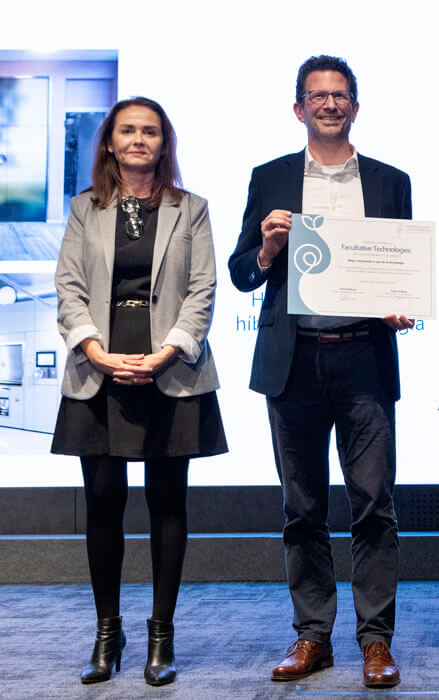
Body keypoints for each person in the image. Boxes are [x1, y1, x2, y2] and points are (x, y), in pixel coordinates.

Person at [228, 55, 411, 689]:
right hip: (294, 361)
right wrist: (267, 248)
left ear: (355, 106)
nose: (329, 104)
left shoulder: (390, 181)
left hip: (364, 357)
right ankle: (312, 636)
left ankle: (376, 641)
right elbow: (241, 273)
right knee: (302, 508)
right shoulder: (270, 177)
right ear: (298, 108)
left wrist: (400, 303)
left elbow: (400, 268)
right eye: (317, 96)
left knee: (374, 505)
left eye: (339, 95)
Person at [52, 96, 227, 687]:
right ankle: (108, 633)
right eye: (127, 130)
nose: (138, 139)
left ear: (163, 143)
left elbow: (203, 289)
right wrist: (95, 351)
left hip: (169, 369)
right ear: (109, 141)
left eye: (150, 131)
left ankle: (161, 636)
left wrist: (167, 352)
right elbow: (69, 287)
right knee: (103, 501)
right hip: (99, 366)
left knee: (167, 503)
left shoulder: (191, 208)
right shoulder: (85, 208)